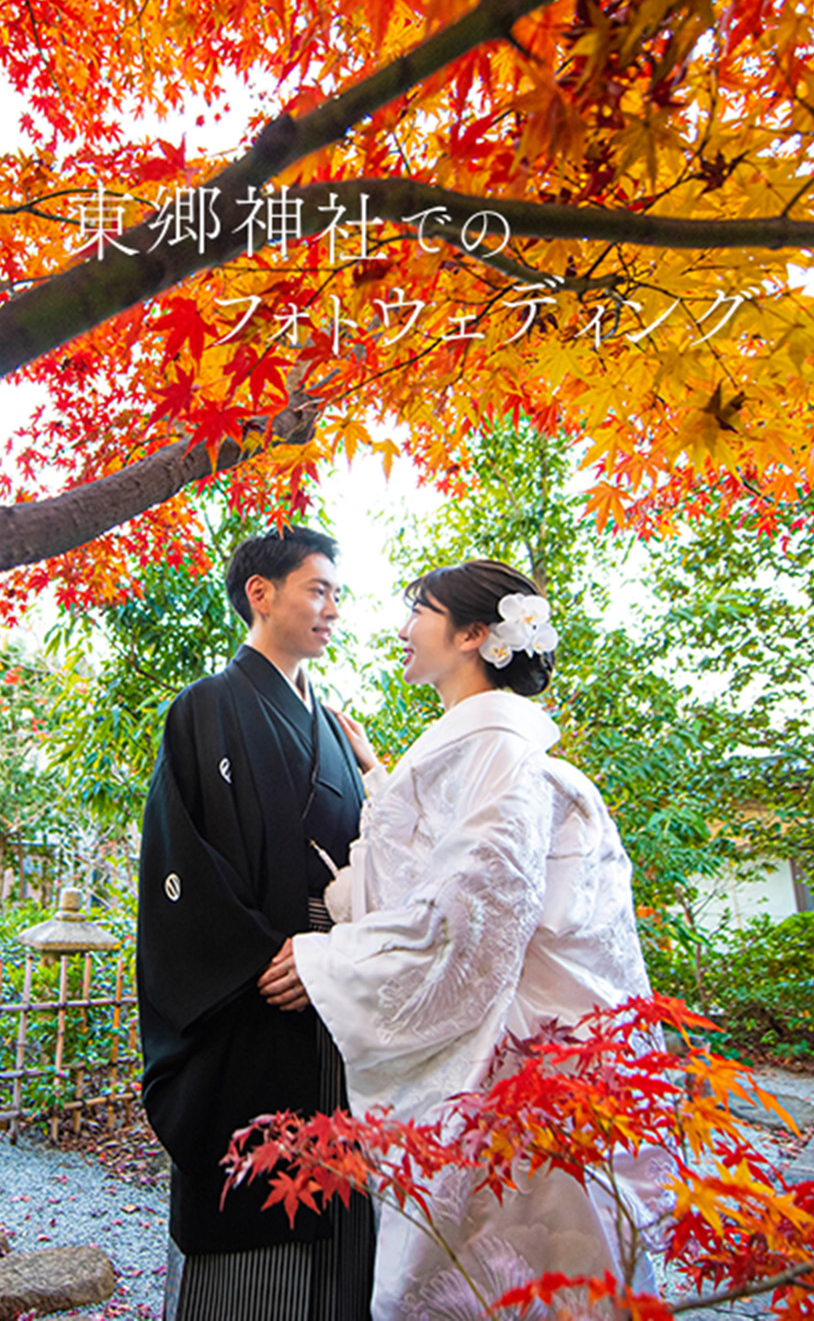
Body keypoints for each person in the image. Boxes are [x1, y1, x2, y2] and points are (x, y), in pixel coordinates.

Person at [258, 559, 667, 1321]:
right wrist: (378, 777)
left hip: (514, 1072)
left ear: (474, 634)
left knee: (505, 1280)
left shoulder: (502, 754)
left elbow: (467, 920)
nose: (403, 627)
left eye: (421, 610)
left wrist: (325, 961)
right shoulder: (485, 747)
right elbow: (433, 868)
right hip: (531, 1070)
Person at [136, 526, 375, 1321]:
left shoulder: (335, 729)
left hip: (330, 989)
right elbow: (179, 864)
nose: (333, 609)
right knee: (257, 1183)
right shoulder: (206, 707)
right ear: (261, 594)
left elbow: (373, 860)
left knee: (336, 1190)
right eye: (319, 590)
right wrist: (267, 959)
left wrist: (330, 962)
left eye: (337, 594)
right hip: (252, 990)